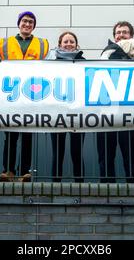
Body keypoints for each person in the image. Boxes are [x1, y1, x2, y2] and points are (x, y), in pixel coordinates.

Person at [0, 11, 49, 182]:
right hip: (10, 96)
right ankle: (8, 171)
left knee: (27, 136)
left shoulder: (43, 44)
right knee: (10, 136)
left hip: (31, 95)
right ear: (19, 23)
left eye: (31, 22)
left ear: (34, 26)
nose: (27, 24)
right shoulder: (3, 43)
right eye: (24, 21)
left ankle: (24, 172)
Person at [96, 21, 134, 183]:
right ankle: (107, 188)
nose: (121, 35)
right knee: (106, 154)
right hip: (105, 112)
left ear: (131, 36)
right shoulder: (106, 53)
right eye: (118, 32)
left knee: (129, 153)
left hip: (128, 112)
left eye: (125, 32)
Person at [48, 31, 85, 182]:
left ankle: (81, 186)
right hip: (57, 114)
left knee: (77, 152)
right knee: (58, 152)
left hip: (79, 114)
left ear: (77, 45)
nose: (69, 44)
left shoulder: (84, 62)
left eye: (72, 42)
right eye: (66, 42)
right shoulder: (52, 63)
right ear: (60, 45)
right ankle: (55, 186)